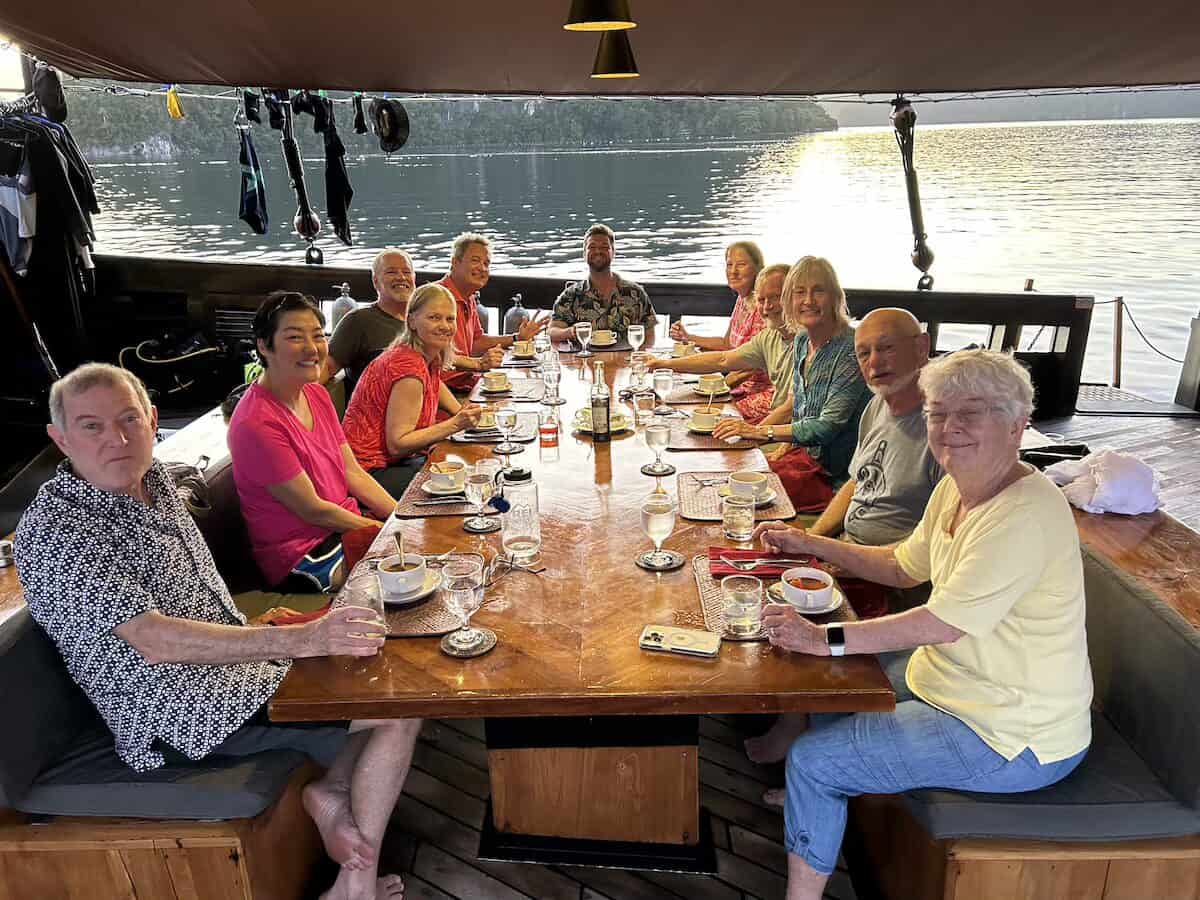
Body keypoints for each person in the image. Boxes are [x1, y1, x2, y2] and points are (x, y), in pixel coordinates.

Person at [16, 362, 421, 900]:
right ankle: (353, 887)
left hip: (236, 670)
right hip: (178, 712)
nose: (115, 438)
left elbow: (200, 599)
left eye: (128, 419)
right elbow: (152, 639)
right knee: (399, 707)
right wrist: (303, 639)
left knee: (383, 661)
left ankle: (333, 789)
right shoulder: (58, 530)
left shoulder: (154, 479)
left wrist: (271, 630)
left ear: (153, 419)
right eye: (90, 426)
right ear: (59, 438)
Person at [752, 349, 1092, 900]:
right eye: (938, 412)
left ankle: (810, 814)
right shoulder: (957, 487)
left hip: (1011, 732)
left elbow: (940, 623)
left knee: (814, 760)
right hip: (957, 682)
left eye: (971, 412)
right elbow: (901, 564)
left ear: (1017, 423)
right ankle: (814, 801)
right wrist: (809, 542)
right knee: (826, 683)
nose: (949, 428)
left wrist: (823, 637)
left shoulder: (1025, 513)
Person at [745, 308, 943, 763]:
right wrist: (813, 535)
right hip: (850, 549)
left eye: (887, 348)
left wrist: (830, 553)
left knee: (796, 606)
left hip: (893, 577)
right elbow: (856, 482)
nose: (875, 362)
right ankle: (781, 707)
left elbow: (924, 558)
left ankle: (797, 726)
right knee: (756, 566)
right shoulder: (878, 406)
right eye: (864, 352)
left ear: (922, 348)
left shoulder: (943, 430)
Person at [228, 292, 397, 593]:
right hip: (302, 554)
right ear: (264, 346)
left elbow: (352, 473)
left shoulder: (315, 393)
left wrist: (400, 517)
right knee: (404, 577)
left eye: (318, 336)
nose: (312, 348)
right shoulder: (255, 423)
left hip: (342, 525)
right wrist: (390, 533)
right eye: (294, 337)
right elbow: (313, 510)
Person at [717, 256, 870, 512]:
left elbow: (827, 427)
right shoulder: (802, 342)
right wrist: (785, 447)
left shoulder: (849, 350)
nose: (808, 300)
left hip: (835, 478)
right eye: (800, 292)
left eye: (818, 291)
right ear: (789, 300)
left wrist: (760, 432)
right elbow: (800, 407)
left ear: (835, 296)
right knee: (731, 473)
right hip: (804, 461)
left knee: (739, 496)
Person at [343, 282, 484, 496]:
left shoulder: (426, 356)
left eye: (450, 318)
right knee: (466, 483)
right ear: (412, 321)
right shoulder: (408, 368)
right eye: (434, 317)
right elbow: (398, 444)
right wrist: (456, 423)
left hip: (395, 462)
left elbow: (435, 386)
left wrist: (462, 413)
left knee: (471, 462)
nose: (445, 326)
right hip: (367, 472)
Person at [651, 263, 792, 423]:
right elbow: (723, 359)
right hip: (776, 421)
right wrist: (663, 364)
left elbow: (791, 409)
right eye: (761, 299)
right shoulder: (770, 336)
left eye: (775, 297)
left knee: (707, 420)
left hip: (787, 425)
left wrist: (754, 433)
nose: (767, 306)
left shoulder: (807, 341)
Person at [669, 241, 775, 420]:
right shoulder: (742, 300)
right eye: (729, 264)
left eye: (741, 265)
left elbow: (752, 365)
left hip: (763, 392)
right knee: (691, 408)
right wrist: (688, 337)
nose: (733, 271)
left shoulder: (763, 307)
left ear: (758, 269)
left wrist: (717, 388)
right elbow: (727, 344)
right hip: (742, 388)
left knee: (709, 415)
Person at [439, 232, 547, 391]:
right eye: (475, 260)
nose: (482, 268)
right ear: (455, 262)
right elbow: (433, 355)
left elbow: (477, 342)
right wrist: (479, 364)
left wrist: (518, 337)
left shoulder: (468, 298)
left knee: (534, 387)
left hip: (467, 381)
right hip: (446, 390)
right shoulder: (438, 298)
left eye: (486, 263)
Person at [320, 248, 415, 393]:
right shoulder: (358, 321)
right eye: (391, 272)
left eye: (406, 272)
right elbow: (327, 367)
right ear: (375, 281)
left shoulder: (421, 320)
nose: (401, 277)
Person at [548, 223, 658, 344]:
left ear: (613, 252)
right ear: (584, 254)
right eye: (592, 247)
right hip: (585, 360)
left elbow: (649, 337)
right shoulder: (571, 295)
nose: (598, 251)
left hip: (626, 361)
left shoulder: (635, 293)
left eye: (604, 247)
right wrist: (570, 332)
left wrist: (638, 359)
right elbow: (552, 331)